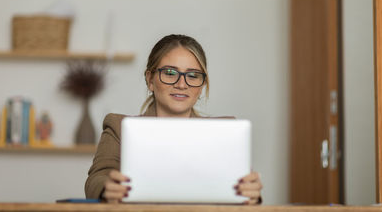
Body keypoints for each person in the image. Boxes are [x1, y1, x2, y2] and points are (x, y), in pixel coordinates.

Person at [85, 34, 263, 204]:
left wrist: (250, 192)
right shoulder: (118, 127)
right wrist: (106, 188)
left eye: (193, 75)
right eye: (170, 73)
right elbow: (97, 178)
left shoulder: (226, 132)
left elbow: (242, 189)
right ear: (150, 80)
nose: (181, 84)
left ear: (202, 86)